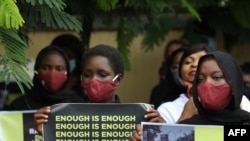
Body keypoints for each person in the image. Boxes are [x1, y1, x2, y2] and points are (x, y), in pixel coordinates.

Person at [34, 44, 141, 135]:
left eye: (102, 74)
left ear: (117, 80)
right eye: (87, 74)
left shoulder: (136, 121)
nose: (93, 80)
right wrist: (47, 134)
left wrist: (154, 131)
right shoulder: (68, 117)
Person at [179, 51, 250, 125]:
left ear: (234, 83)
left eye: (216, 77)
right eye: (200, 79)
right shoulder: (188, 128)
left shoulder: (246, 122)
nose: (207, 84)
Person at [8, 45, 84, 110]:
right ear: (37, 70)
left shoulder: (78, 104)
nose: (52, 73)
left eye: (59, 69)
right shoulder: (20, 104)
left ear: (67, 73)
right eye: (46, 68)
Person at [51, 34, 84, 98]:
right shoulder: (47, 80)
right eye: (63, 57)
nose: (65, 61)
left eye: (69, 58)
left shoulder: (85, 82)